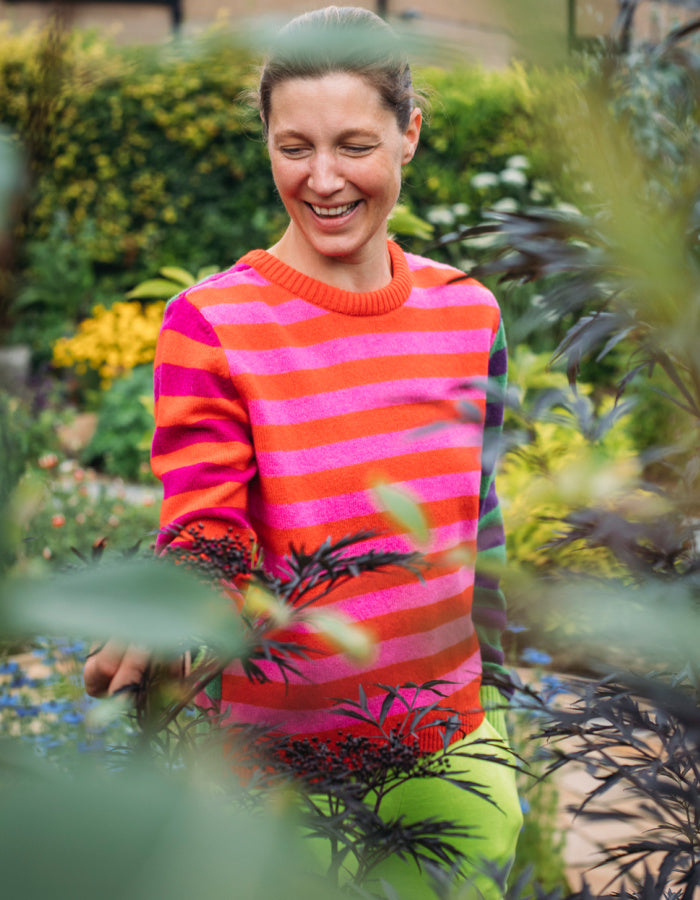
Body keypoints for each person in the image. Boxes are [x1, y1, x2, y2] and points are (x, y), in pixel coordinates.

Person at [84, 6, 521, 896]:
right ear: (267, 143)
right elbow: (206, 523)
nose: (323, 180)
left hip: (456, 750)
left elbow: (481, 523)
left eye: (355, 145)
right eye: (295, 148)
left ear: (410, 136)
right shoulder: (212, 323)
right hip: (281, 781)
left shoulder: (470, 314)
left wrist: (501, 708)